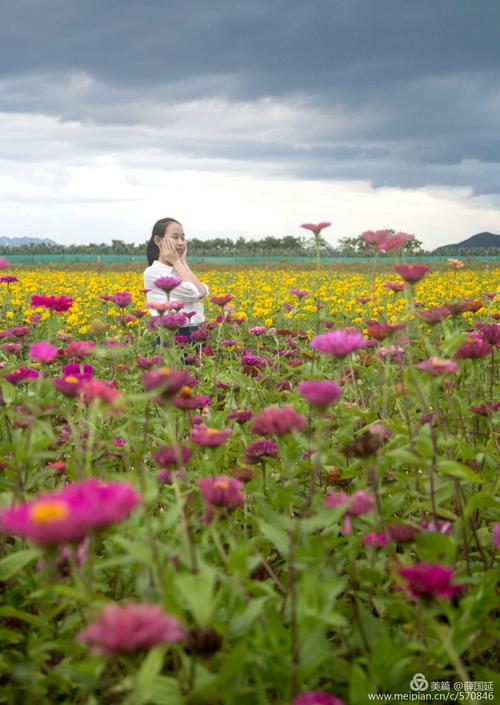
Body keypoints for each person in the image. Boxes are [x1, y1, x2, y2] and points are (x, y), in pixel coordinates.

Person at [143, 218, 209, 340]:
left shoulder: (179, 268)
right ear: (158, 240)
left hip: (195, 331)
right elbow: (195, 293)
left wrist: (182, 262)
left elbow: (203, 293)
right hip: (172, 335)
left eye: (183, 238)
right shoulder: (153, 273)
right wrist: (177, 262)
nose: (180, 243)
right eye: (175, 237)